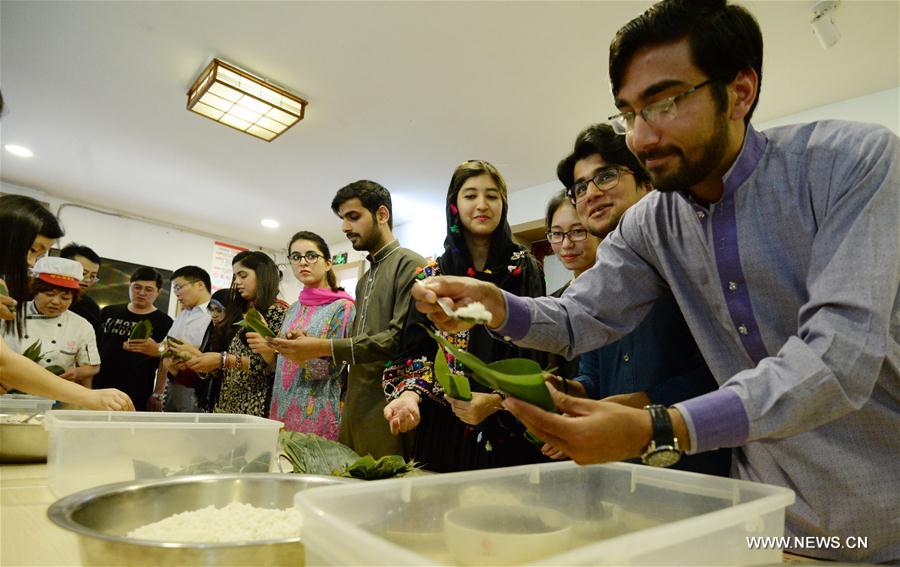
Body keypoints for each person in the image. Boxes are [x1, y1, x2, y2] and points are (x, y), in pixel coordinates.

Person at [413, 0, 899, 562]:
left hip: (883, 514)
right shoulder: (654, 220)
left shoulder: (850, 163)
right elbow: (580, 316)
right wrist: (493, 305)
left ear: (740, 91)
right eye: (629, 113)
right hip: (771, 519)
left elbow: (840, 358)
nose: (641, 137)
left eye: (665, 102)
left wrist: (660, 428)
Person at [544, 126, 730, 476]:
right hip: (622, 471)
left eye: (607, 176)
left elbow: (726, 371)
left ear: (647, 182)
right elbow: (593, 379)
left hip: (698, 468)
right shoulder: (592, 289)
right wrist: (564, 390)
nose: (591, 193)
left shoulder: (690, 263)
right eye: (580, 187)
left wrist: (640, 404)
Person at [382, 160, 547, 472]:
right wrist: (409, 396)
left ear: (504, 204)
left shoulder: (523, 268)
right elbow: (415, 348)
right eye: (470, 195)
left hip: (507, 423)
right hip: (444, 423)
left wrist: (498, 401)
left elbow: (536, 352)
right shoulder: (431, 276)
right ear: (454, 205)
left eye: (492, 196)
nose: (482, 205)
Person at [269, 181, 426, 458]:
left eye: (353, 217)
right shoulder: (365, 279)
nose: (345, 227)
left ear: (382, 215)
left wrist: (322, 347)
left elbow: (396, 339)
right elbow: (357, 344)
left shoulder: (409, 265)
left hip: (391, 405)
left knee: (383, 491)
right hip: (354, 404)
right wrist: (311, 344)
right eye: (343, 219)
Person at [0, 194, 133, 411]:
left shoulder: (82, 322)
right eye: (33, 249)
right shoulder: (14, 306)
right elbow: (4, 362)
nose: (30, 261)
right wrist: (89, 398)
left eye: (65, 297)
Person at [251, 231, 354, 439]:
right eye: (296, 257)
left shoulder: (343, 308)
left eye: (311, 255)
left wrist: (301, 354)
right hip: (281, 406)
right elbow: (281, 365)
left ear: (327, 263)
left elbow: (334, 370)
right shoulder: (293, 308)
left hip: (316, 411)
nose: (303, 262)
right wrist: (270, 347)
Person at [186, 251, 287, 417]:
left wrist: (224, 360)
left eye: (243, 275)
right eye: (235, 277)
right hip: (232, 400)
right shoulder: (245, 310)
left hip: (255, 405)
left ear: (262, 275)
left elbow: (272, 366)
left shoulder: (277, 311)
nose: (237, 282)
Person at [6, 257, 101, 390]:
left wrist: (76, 373)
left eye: (65, 298)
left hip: (55, 392)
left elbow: (93, 366)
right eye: (49, 294)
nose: (56, 302)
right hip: (7, 391)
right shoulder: (9, 313)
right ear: (35, 291)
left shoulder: (81, 326)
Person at [93, 267, 173, 411]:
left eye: (148, 289)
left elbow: (166, 358)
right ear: (130, 287)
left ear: (158, 292)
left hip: (137, 389)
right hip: (99, 385)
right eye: (137, 287)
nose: (142, 293)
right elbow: (93, 346)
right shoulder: (108, 312)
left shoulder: (165, 322)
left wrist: (158, 393)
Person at [153, 265, 212, 412]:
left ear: (199, 285)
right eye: (174, 289)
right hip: (173, 381)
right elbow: (166, 345)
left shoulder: (213, 315)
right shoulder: (184, 314)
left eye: (179, 287)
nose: (176, 294)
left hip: (197, 385)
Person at [59, 243, 103, 340]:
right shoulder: (36, 294)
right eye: (83, 273)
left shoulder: (91, 308)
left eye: (92, 276)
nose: (87, 280)